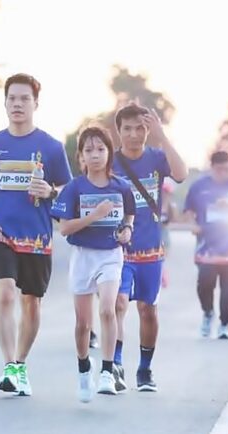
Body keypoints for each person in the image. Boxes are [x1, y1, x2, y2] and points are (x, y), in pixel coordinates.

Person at [0, 73, 72, 397]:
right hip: (0, 230)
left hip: (37, 236)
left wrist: (51, 192)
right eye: (12, 98)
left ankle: (21, 363)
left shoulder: (51, 148)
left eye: (24, 98)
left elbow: (69, 191)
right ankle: (8, 365)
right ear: (5, 103)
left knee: (31, 303)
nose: (17, 104)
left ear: (35, 104)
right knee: (5, 294)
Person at [51, 125, 135, 402]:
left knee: (108, 309)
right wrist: (94, 216)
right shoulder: (74, 188)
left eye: (100, 149)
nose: (95, 155)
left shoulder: (121, 187)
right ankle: (84, 368)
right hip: (83, 256)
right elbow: (65, 228)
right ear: (81, 157)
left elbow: (129, 215)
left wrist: (127, 230)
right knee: (83, 325)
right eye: (89, 150)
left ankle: (107, 372)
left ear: (110, 153)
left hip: (110, 255)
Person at [112, 102, 187, 392]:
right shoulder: (110, 162)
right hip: (117, 249)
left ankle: (144, 369)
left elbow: (181, 173)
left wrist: (162, 136)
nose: (134, 134)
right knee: (118, 304)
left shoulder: (157, 157)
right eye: (127, 129)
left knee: (147, 310)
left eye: (140, 128)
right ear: (118, 131)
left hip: (150, 249)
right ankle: (115, 365)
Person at [184, 150, 228, 339]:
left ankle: (225, 324)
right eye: (219, 169)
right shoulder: (198, 186)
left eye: (227, 169)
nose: (223, 173)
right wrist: (192, 224)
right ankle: (208, 312)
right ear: (211, 167)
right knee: (204, 283)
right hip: (206, 246)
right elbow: (188, 210)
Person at [160, 180, 178, 288]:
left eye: (167, 193)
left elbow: (174, 219)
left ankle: (163, 276)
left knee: (162, 258)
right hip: (154, 235)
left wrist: (171, 205)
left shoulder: (170, 206)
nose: (165, 195)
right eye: (163, 192)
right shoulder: (154, 204)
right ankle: (162, 276)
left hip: (164, 236)